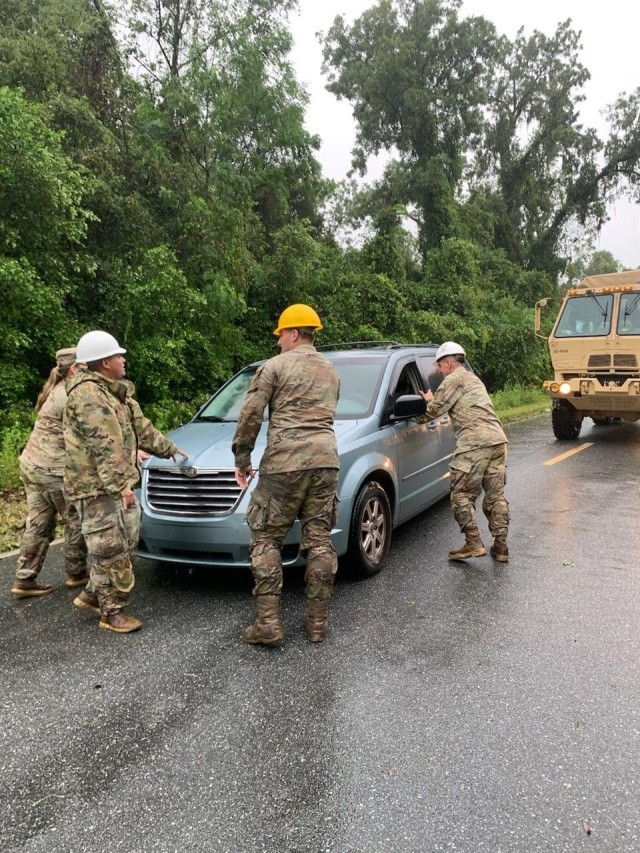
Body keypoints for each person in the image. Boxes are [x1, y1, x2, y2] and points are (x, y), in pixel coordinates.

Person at [64, 330, 188, 633]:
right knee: (109, 549)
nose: (123, 360)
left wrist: (168, 448)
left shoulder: (113, 392)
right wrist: (121, 488)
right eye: (119, 356)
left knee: (126, 541)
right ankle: (112, 613)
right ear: (105, 362)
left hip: (111, 484)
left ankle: (93, 595)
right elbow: (106, 446)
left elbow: (140, 428)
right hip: (97, 489)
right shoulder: (89, 396)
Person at [232, 304, 340, 645]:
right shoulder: (331, 371)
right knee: (320, 541)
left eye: (281, 335)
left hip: (284, 461)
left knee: (265, 538)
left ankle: (268, 624)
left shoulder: (273, 367)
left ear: (293, 333)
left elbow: (250, 414)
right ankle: (317, 625)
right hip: (326, 460)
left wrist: (242, 457)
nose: (278, 341)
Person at [421, 342, 510, 563]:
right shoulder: (473, 378)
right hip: (498, 441)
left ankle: (473, 543)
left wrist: (427, 401)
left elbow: (432, 412)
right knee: (495, 496)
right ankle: (500, 547)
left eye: (440, 365)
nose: (439, 370)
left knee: (461, 494)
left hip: (474, 443)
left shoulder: (453, 379)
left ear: (449, 362)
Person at [11, 348, 89, 598]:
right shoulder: (70, 394)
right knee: (76, 519)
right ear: (75, 369)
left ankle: (24, 579)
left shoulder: (54, 391)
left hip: (32, 466)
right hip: (54, 470)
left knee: (38, 522)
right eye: (87, 367)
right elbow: (87, 435)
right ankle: (77, 573)